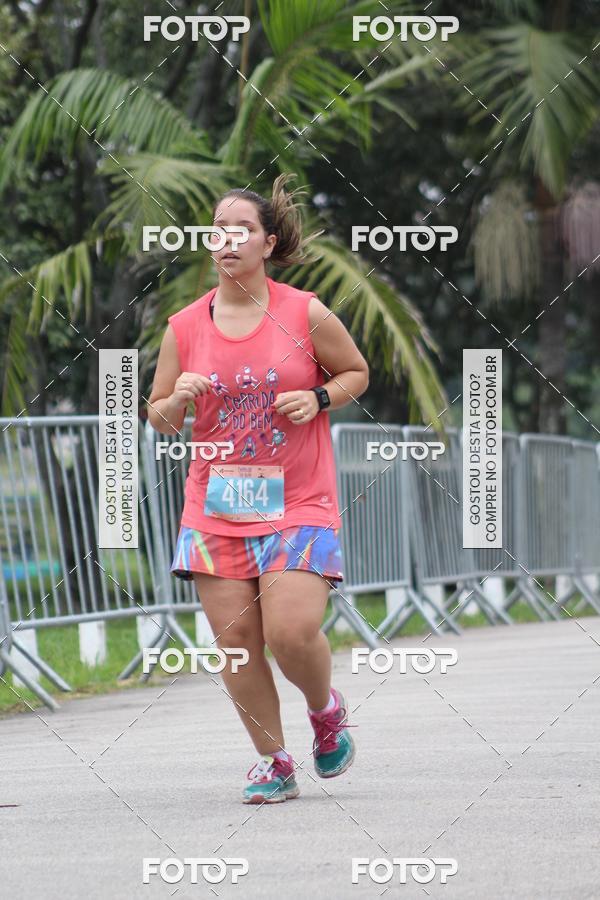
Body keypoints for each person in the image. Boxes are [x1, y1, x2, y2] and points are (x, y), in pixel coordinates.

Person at [147, 174, 369, 803]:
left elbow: (357, 371)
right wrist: (175, 400)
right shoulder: (185, 326)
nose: (228, 239)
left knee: (290, 632)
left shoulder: (305, 312)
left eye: (242, 228)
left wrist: (320, 395)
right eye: (218, 229)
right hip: (217, 504)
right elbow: (158, 416)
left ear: (268, 243)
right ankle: (274, 761)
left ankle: (325, 712)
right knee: (238, 646)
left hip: (298, 499)